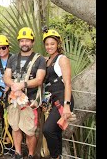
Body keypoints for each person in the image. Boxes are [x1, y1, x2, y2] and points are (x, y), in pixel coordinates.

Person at [3, 27, 46, 159]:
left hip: (30, 101)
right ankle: (18, 153)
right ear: (19, 42)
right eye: (22, 41)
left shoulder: (39, 60)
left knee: (29, 131)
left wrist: (23, 85)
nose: (24, 43)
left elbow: (39, 79)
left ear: (32, 42)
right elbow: (6, 77)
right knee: (15, 127)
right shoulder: (13, 58)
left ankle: (31, 154)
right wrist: (15, 87)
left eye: (27, 40)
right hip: (14, 99)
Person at [42, 28, 74, 159]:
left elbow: (68, 83)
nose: (49, 46)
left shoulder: (62, 59)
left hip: (62, 100)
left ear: (58, 44)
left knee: (48, 130)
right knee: (55, 132)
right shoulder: (47, 60)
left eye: (52, 44)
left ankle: (55, 157)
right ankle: (59, 156)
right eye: (47, 44)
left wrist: (66, 105)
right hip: (53, 100)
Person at [0, 35, 15, 156]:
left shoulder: (14, 59)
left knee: (12, 122)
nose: (1, 51)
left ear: (8, 47)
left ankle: (13, 146)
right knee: (2, 121)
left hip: (12, 95)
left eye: (3, 48)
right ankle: (6, 144)